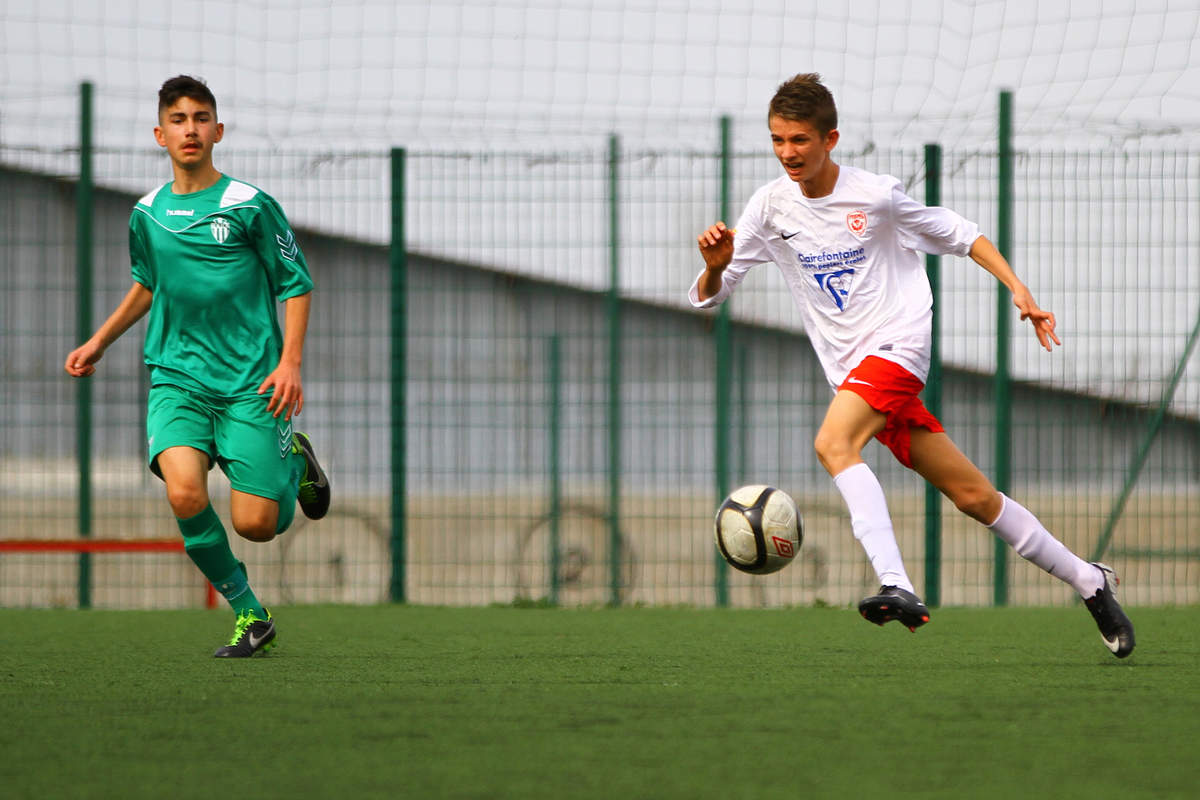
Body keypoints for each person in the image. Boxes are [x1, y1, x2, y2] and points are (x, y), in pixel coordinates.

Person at [691, 73, 1134, 658]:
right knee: (975, 497)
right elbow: (706, 297)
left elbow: (959, 233)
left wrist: (1019, 290)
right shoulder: (770, 207)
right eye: (777, 140)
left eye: (799, 140)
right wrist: (718, 266)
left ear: (831, 139)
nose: (788, 153)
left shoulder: (872, 196)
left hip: (899, 347)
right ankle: (1088, 579)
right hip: (854, 373)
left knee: (832, 444)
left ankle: (896, 583)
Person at [65, 75, 331, 658]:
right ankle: (250, 614)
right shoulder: (147, 213)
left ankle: (294, 462)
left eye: (201, 118)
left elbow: (297, 282)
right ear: (160, 134)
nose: (191, 129)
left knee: (258, 525)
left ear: (218, 130)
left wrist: (290, 363)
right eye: (179, 120)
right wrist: (100, 341)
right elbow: (146, 284)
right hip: (177, 377)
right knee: (185, 494)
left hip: (251, 382)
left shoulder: (249, 205)